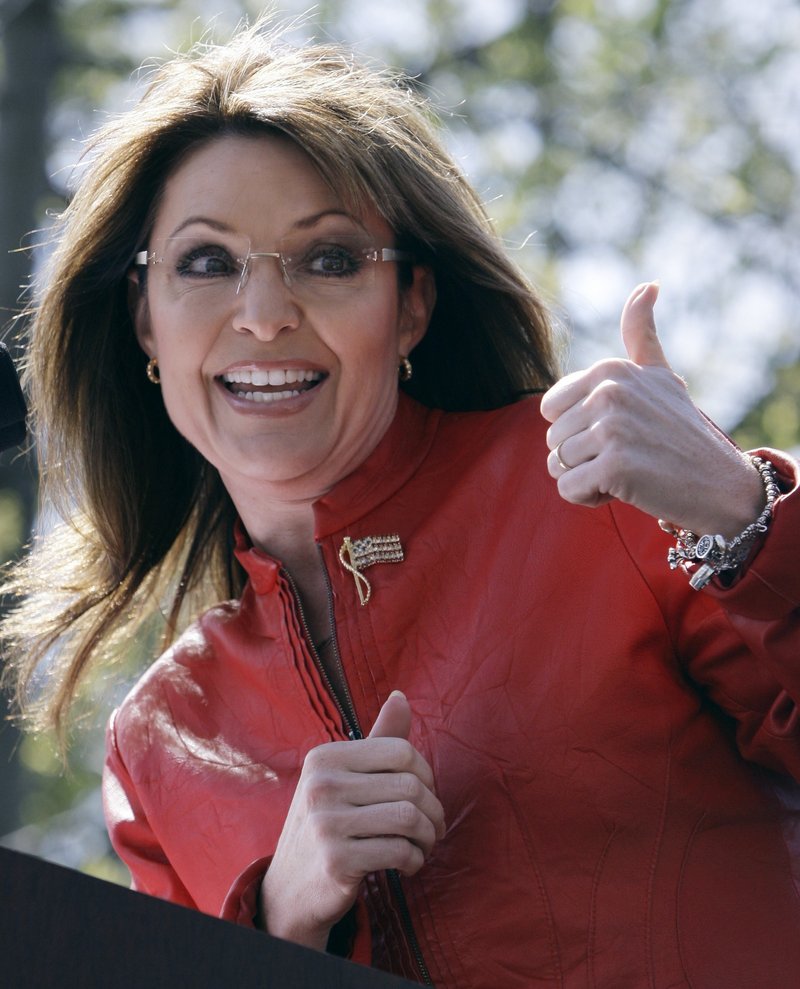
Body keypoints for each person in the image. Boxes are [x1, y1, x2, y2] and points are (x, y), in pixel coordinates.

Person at [2, 19, 799, 989]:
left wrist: (739, 510)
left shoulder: (606, 498)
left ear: (410, 303)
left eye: (328, 259)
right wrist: (282, 911)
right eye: (207, 262)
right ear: (144, 320)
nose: (261, 313)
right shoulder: (161, 737)